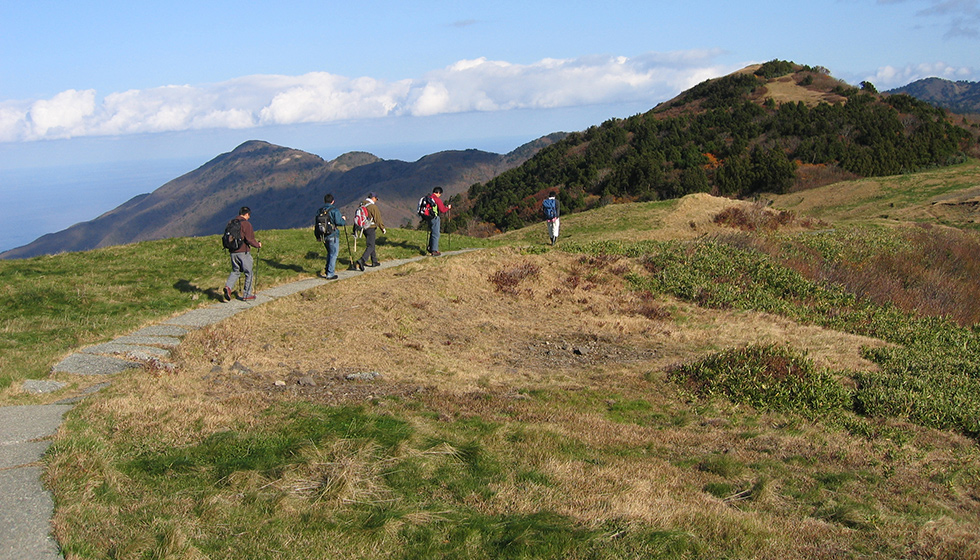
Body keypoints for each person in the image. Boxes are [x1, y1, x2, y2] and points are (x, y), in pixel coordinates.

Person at [224, 206, 262, 301]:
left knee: (235, 271)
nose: (249, 217)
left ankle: (228, 287)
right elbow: (250, 239)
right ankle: (247, 294)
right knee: (249, 273)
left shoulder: (231, 223)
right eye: (249, 215)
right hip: (243, 252)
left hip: (233, 251)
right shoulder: (246, 224)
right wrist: (258, 245)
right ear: (246, 214)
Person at [355, 192, 386, 271]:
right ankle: (362, 260)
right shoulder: (372, 207)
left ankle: (374, 261)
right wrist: (382, 228)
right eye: (376, 199)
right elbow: (377, 218)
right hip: (370, 227)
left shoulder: (362, 204)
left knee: (371, 244)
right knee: (371, 245)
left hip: (363, 227)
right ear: (373, 198)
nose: (376, 200)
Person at [318, 194, 346, 280]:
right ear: (333, 201)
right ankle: (330, 273)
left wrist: (318, 235)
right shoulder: (334, 210)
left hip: (323, 234)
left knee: (329, 253)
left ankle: (327, 270)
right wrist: (343, 219)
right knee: (334, 254)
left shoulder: (320, 210)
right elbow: (339, 222)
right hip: (333, 235)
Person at [425, 186, 452, 256]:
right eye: (440, 194)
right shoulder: (436, 199)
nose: (440, 196)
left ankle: (430, 247)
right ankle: (434, 250)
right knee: (436, 234)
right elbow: (442, 210)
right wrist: (448, 208)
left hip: (428, 217)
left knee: (432, 232)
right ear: (438, 193)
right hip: (435, 218)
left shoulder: (429, 198)